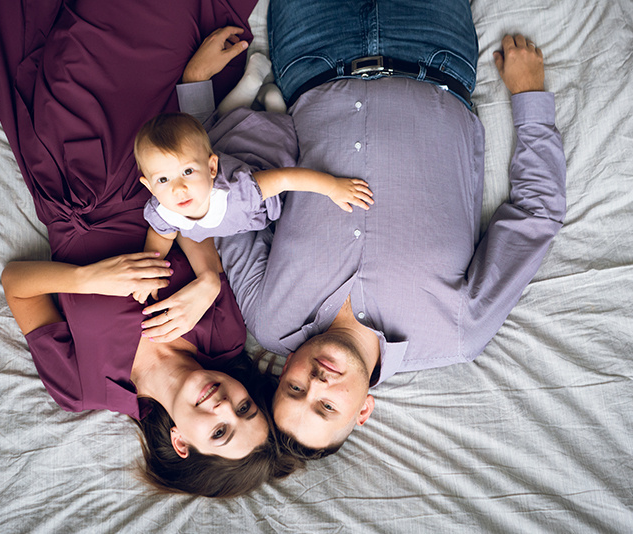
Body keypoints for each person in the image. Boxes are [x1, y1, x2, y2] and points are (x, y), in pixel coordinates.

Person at [207, 0, 567, 458]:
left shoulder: (269, 318)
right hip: (433, 54)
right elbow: (536, 215)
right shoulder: (456, 333)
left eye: (295, 389)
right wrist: (529, 99)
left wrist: (195, 96)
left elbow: (220, 205)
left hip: (311, 53)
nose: (315, 383)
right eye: (325, 407)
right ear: (363, 412)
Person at [0, 0, 295, 496]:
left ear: (182, 443)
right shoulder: (225, 335)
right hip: (159, 165)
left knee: (82, 43)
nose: (226, 405)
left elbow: (18, 285)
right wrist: (206, 281)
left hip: (76, 173)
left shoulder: (85, 388)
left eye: (220, 431)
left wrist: (86, 279)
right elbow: (200, 220)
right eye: (246, 407)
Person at [131, 111, 373, 303]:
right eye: (163, 180)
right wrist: (150, 273)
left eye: (187, 172)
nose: (178, 188)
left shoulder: (238, 193)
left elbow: (284, 179)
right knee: (213, 128)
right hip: (231, 189)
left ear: (212, 168)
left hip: (264, 152)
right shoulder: (163, 209)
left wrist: (333, 187)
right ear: (149, 186)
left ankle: (269, 105)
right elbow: (161, 235)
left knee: (271, 139)